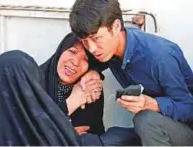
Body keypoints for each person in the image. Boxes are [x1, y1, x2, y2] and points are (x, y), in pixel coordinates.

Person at [69, 0, 193, 145]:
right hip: (154, 129)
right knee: (109, 139)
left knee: (145, 120)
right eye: (85, 41)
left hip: (185, 130)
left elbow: (189, 108)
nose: (92, 49)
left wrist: (153, 104)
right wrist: (93, 71)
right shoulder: (111, 46)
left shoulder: (159, 57)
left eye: (96, 39)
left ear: (115, 27)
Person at [0, 33, 103, 145]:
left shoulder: (89, 90)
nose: (76, 62)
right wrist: (64, 132)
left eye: (86, 59)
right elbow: (25, 132)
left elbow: (94, 136)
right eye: (72, 51)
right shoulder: (29, 84)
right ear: (60, 52)